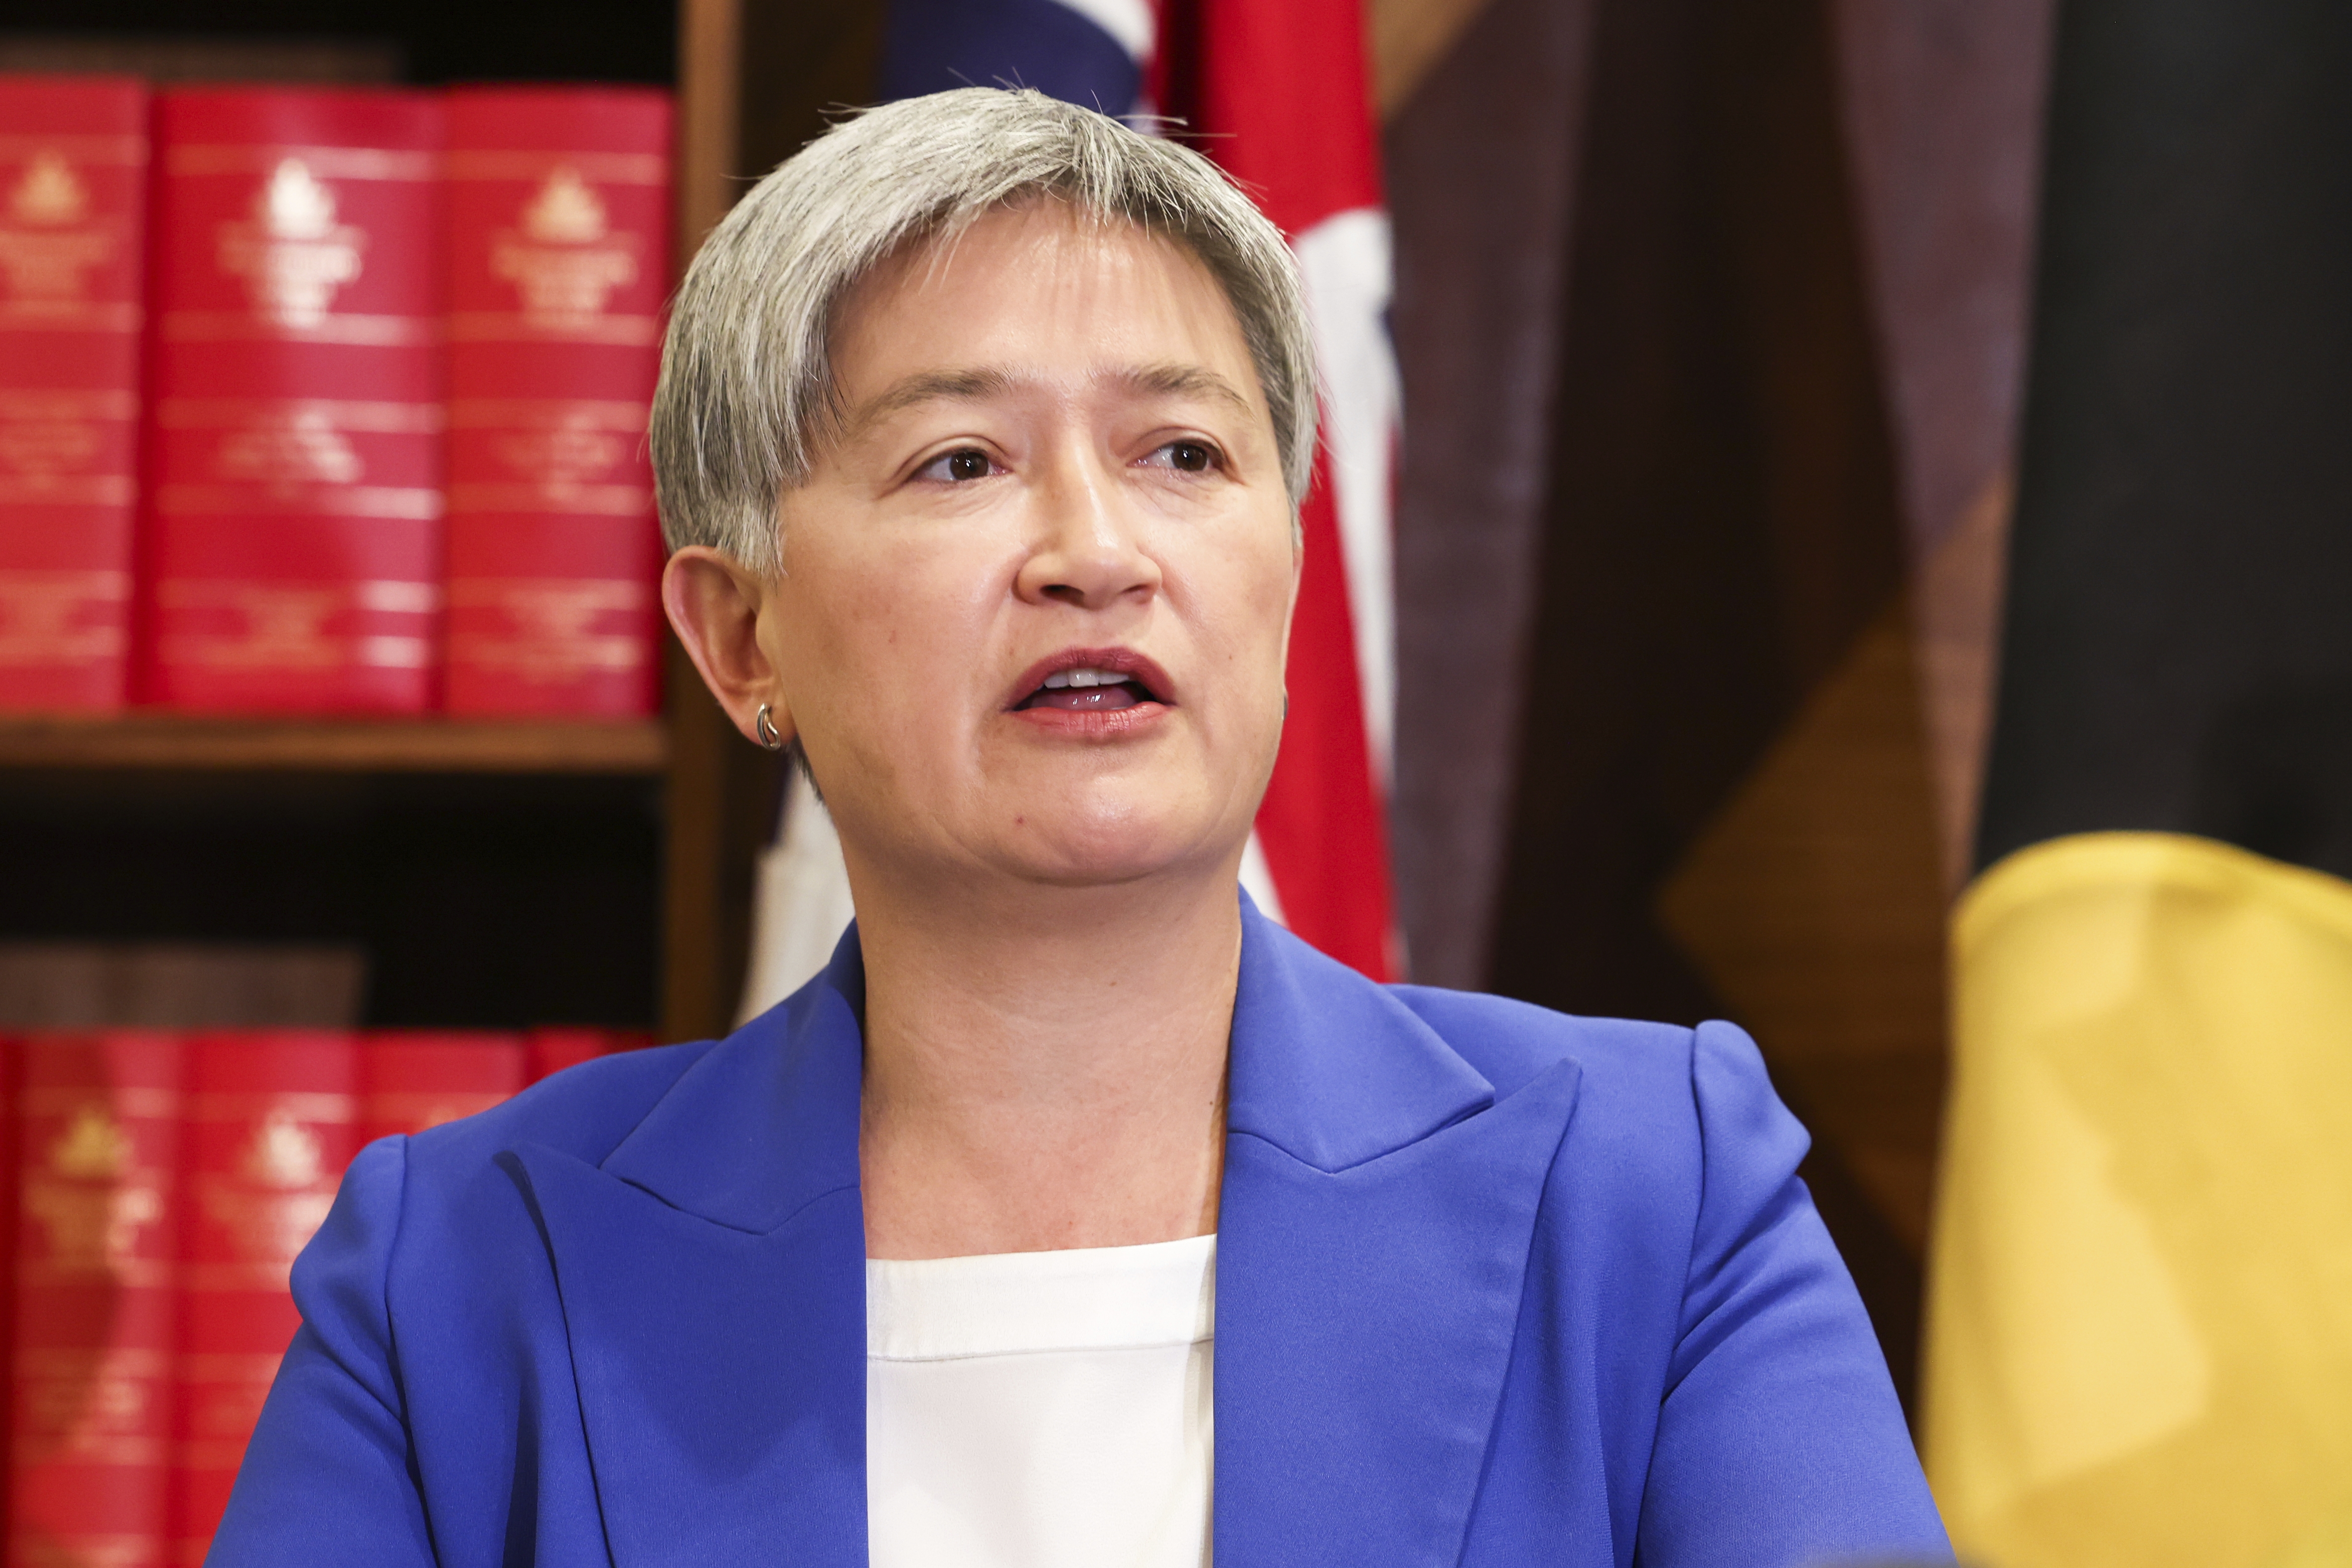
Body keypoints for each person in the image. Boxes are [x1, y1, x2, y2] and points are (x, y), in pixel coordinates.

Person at [211, 88, 1951, 1568]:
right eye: (961, 462)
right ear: (742, 641)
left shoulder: (1653, 1194)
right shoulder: (462, 1275)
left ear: (1292, 567)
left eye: (1183, 453)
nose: (1096, 552)